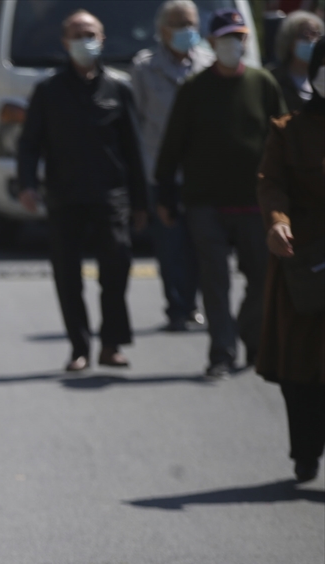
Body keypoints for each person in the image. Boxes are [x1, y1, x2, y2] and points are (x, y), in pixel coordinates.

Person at [155, 8, 287, 378]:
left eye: (240, 36)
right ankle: (222, 352)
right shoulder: (194, 90)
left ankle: (250, 332)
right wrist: (165, 195)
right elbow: (172, 148)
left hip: (255, 203)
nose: (235, 44)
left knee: (263, 278)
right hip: (206, 204)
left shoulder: (263, 83)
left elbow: (282, 142)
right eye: (227, 37)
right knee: (215, 281)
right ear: (212, 43)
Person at [17, 10, 148, 372]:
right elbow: (29, 145)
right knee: (67, 276)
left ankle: (111, 344)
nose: (83, 40)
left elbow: (134, 150)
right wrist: (27, 185)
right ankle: (79, 347)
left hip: (111, 195)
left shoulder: (119, 87)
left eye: (89, 33)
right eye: (76, 34)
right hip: (64, 196)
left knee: (117, 268)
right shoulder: (48, 90)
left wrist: (141, 202)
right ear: (64, 42)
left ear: (102, 38)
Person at [256, 39, 325, 483]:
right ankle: (305, 452)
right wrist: (278, 223)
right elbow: (271, 183)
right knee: (300, 368)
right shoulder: (288, 129)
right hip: (305, 265)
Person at [132, 0, 213, 333]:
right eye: (179, 25)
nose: (186, 31)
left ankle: (193, 303)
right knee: (170, 243)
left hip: (201, 172)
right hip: (161, 172)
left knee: (200, 242)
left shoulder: (208, 63)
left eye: (191, 23)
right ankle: (175, 306)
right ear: (163, 30)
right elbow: (136, 119)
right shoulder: (145, 68)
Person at [269, 10, 324, 112]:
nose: (311, 40)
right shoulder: (273, 79)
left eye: (315, 35)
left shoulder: (322, 76)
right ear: (289, 41)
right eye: (304, 35)